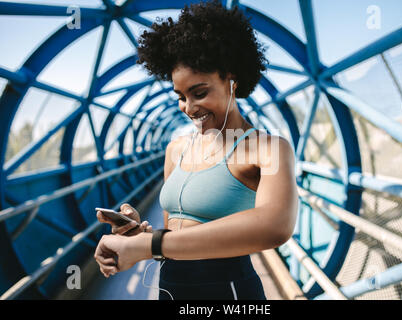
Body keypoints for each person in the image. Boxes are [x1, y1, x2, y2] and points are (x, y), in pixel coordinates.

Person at [94, 0, 298, 300]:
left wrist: (148, 246)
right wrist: (139, 234)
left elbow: (275, 225)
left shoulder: (267, 148)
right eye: (180, 96)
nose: (189, 108)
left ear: (232, 80)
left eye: (199, 93)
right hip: (170, 288)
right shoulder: (176, 150)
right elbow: (173, 237)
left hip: (228, 293)